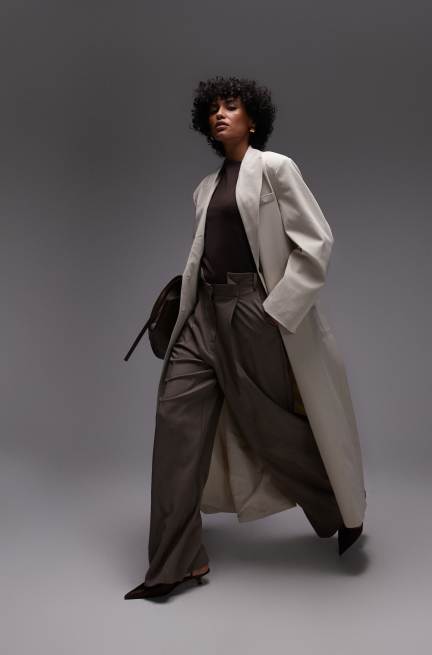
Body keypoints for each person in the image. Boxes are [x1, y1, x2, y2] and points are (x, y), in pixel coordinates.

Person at [125, 75, 366, 600]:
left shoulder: (275, 169)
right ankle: (175, 564)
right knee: (174, 424)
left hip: (252, 312)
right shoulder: (204, 188)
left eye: (231, 106)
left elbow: (316, 242)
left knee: (268, 426)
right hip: (202, 316)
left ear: (252, 119)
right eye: (213, 108)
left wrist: (277, 311)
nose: (220, 114)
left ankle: (339, 506)